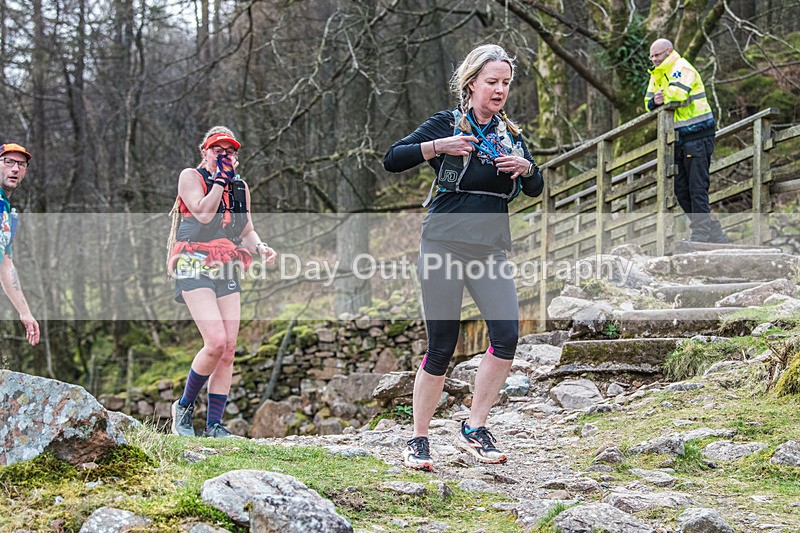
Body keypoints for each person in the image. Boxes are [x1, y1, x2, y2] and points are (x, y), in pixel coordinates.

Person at [384, 44, 543, 470]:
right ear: (471, 82)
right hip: (443, 244)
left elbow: (535, 187)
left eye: (506, 83)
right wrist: (439, 146)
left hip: (490, 247)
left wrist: (526, 169)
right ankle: (418, 439)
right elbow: (392, 160)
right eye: (492, 82)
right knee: (442, 345)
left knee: (506, 335)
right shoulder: (447, 123)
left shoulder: (510, 134)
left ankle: (474, 428)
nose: (500, 90)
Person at [167, 126, 276, 438]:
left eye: (230, 151)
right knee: (214, 341)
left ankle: (214, 425)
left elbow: (246, 230)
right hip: (193, 261)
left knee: (228, 348)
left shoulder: (240, 187)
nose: (224, 155)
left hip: (227, 263)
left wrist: (260, 247)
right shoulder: (192, 176)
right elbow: (202, 214)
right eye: (218, 150)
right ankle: (184, 408)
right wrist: (219, 180)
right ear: (206, 151)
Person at [645, 38, 727, 244]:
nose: (654, 59)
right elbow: (648, 102)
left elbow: (677, 95)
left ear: (669, 52)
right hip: (678, 138)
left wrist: (662, 96)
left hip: (698, 135)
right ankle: (714, 234)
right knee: (680, 190)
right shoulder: (657, 75)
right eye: (651, 55)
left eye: (657, 54)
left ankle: (700, 234)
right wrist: (655, 99)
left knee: (696, 187)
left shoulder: (682, 67)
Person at [0, 143, 39, 347]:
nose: (15, 168)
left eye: (21, 164)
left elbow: (5, 265)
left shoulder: (7, 214)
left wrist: (25, 312)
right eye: (8, 162)